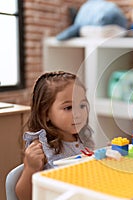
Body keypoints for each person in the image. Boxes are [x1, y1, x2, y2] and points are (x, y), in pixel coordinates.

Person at [15, 71, 94, 200]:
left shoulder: (81, 138)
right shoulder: (41, 147)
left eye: (82, 105)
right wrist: (30, 167)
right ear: (45, 114)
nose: (78, 113)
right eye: (68, 108)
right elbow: (24, 196)